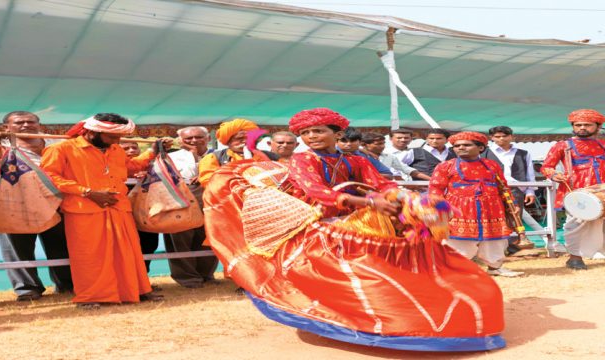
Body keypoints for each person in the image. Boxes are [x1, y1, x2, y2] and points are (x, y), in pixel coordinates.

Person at [203, 108, 506, 351]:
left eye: (318, 131)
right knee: (350, 278)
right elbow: (318, 192)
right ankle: (362, 321)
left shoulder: (357, 160)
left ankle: (431, 318)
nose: (311, 137)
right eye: (305, 133)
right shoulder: (301, 160)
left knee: (409, 263)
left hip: (358, 223)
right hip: (319, 226)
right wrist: (371, 202)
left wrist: (410, 200)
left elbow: (384, 185)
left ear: (337, 133)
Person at [40, 113, 166, 309]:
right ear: (92, 132)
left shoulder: (115, 149)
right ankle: (90, 297)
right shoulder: (61, 149)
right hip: (84, 209)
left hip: (118, 207)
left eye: (118, 137)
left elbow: (130, 167)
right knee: (90, 256)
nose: (117, 141)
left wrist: (152, 152)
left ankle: (136, 291)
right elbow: (49, 177)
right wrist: (87, 192)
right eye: (112, 137)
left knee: (128, 253)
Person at [0, 111, 74, 301]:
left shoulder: (55, 145)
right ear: (6, 127)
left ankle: (67, 284)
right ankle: (27, 289)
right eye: (19, 122)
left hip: (54, 203)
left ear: (39, 125)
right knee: (17, 250)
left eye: (31, 122)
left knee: (61, 246)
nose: (26, 125)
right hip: (12, 205)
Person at [429, 131, 523, 277]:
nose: (461, 148)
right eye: (457, 146)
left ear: (480, 148)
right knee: (457, 241)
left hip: (492, 209)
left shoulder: (492, 165)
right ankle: (455, 269)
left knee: (495, 240)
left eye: (466, 145)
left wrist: (512, 204)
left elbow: (502, 186)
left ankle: (495, 267)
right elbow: (435, 188)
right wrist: (439, 209)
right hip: (459, 211)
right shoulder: (445, 166)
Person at [541, 109, 605, 270]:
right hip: (575, 192)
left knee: (601, 225)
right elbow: (547, 167)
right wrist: (554, 175)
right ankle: (574, 258)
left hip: (602, 191)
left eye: (587, 125)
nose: (582, 128)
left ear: (598, 127)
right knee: (575, 225)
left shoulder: (603, 145)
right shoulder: (563, 146)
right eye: (578, 125)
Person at [166, 126, 219, 288]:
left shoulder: (218, 155)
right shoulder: (170, 157)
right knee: (180, 241)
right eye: (188, 138)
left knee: (208, 239)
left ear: (208, 138)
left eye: (198, 137)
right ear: (180, 140)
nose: (194, 141)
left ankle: (206, 275)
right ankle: (187, 278)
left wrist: (206, 175)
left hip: (212, 204)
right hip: (180, 204)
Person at [483, 126, 537, 255]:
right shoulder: (483, 153)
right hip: (491, 189)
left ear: (511, 137)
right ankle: (494, 250)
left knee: (515, 216)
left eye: (504, 136)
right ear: (492, 138)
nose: (501, 139)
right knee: (493, 217)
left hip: (516, 189)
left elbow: (530, 173)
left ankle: (512, 247)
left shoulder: (523, 153)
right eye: (497, 136)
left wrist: (530, 191)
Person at [198, 118, 278, 187]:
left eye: (249, 138)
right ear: (228, 141)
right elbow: (208, 181)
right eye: (239, 138)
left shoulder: (271, 156)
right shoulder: (214, 158)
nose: (245, 141)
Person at [120, 141, 159, 274]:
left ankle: (143, 279)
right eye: (126, 148)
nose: (131, 150)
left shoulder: (150, 164)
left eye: (134, 148)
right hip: (122, 214)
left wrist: (148, 176)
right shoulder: (114, 165)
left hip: (147, 212)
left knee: (149, 244)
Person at [360, 132, 427, 180]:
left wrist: (430, 179)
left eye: (383, 143)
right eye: (378, 144)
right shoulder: (358, 156)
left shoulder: (389, 157)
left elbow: (408, 170)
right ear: (365, 144)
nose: (382, 146)